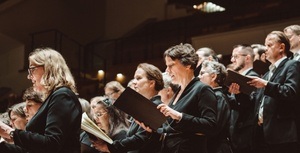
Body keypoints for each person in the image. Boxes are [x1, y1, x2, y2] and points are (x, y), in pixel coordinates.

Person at [0, 47, 82, 153]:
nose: (29, 76)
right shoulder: (56, 96)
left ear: (49, 68)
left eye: (32, 69)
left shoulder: (62, 96)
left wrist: (8, 131)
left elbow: (51, 144)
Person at [141, 43, 217, 153]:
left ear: (188, 65)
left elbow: (210, 125)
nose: (167, 70)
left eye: (171, 65)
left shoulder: (202, 89)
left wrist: (179, 116)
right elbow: (174, 130)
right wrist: (153, 130)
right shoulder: (178, 92)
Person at [93, 63, 164, 153]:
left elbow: (140, 139)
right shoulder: (144, 107)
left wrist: (110, 147)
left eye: (138, 78)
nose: (134, 82)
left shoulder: (156, 107)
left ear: (151, 83)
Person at [248, 31, 300, 153]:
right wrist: (239, 94)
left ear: (281, 47)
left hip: (283, 134)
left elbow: (291, 92)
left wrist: (266, 84)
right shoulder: (266, 74)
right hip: (263, 133)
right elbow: (257, 101)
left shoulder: (292, 65)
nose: (265, 49)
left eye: (269, 45)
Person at [227, 44, 259, 153]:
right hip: (236, 133)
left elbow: (252, 106)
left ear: (247, 58)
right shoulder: (236, 78)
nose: (232, 60)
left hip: (246, 135)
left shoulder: (254, 77)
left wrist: (239, 94)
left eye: (236, 56)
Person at [199, 60, 232, 153]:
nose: (199, 77)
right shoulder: (213, 95)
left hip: (217, 148)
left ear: (213, 76)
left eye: (202, 73)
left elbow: (214, 126)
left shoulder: (218, 96)